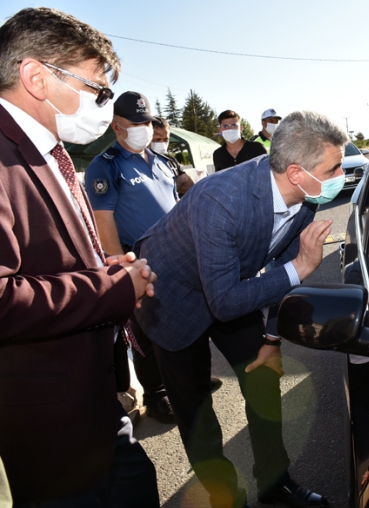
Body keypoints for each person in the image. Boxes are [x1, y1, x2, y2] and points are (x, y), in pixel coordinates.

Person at [135, 110, 346, 508]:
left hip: (227, 284)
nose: (341, 175)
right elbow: (233, 298)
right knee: (197, 413)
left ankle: (273, 483)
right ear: (297, 172)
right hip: (171, 298)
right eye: (334, 167)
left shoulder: (305, 197)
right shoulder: (221, 200)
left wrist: (270, 339)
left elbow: (279, 273)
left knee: (262, 379)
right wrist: (302, 266)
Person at [0, 7, 158, 506]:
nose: (103, 104)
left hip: (95, 405)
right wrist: (112, 290)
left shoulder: (49, 150)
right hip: (50, 430)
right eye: (95, 86)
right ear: (35, 76)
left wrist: (103, 267)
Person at [85, 91, 184, 424]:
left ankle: (184, 379)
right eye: (135, 123)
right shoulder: (107, 166)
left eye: (146, 122)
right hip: (139, 263)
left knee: (182, 323)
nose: (143, 128)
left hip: (176, 258)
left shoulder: (161, 161)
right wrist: (124, 273)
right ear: (117, 126)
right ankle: (156, 396)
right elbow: (104, 221)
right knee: (146, 332)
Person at [151, 115, 194, 196]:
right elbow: (159, 194)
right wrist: (181, 180)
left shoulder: (171, 160)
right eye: (157, 139)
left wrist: (179, 181)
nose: (162, 143)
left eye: (166, 139)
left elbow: (190, 186)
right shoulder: (144, 162)